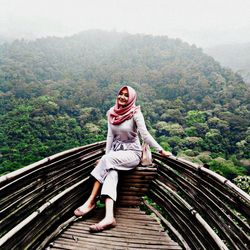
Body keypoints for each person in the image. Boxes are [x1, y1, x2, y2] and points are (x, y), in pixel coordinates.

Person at [74, 85, 172, 232]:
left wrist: (161, 150)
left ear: (131, 98)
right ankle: (109, 217)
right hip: (115, 153)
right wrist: (107, 156)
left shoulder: (135, 113)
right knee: (111, 173)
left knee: (107, 161)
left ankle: (91, 200)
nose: (123, 97)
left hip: (132, 153)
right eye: (121, 94)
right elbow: (110, 136)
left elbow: (145, 135)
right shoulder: (112, 113)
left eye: (127, 95)